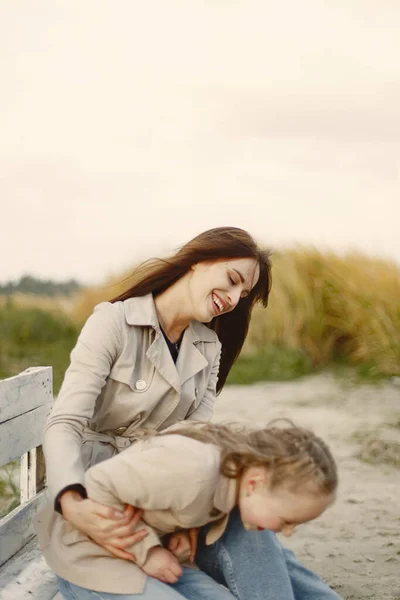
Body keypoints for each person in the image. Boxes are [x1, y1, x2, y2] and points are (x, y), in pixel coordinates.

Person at [35, 226, 342, 600]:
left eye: (242, 295)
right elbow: (64, 422)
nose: (231, 299)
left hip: (169, 502)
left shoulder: (209, 346)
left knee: (256, 534)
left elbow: (194, 438)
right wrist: (72, 499)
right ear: (198, 259)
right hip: (99, 498)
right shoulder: (113, 322)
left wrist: (188, 522)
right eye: (231, 280)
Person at [36, 421, 338, 600]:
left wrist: (184, 528)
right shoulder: (196, 470)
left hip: (145, 554)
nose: (287, 532)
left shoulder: (232, 475)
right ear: (256, 483)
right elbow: (97, 484)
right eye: (286, 521)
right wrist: (148, 551)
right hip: (87, 557)